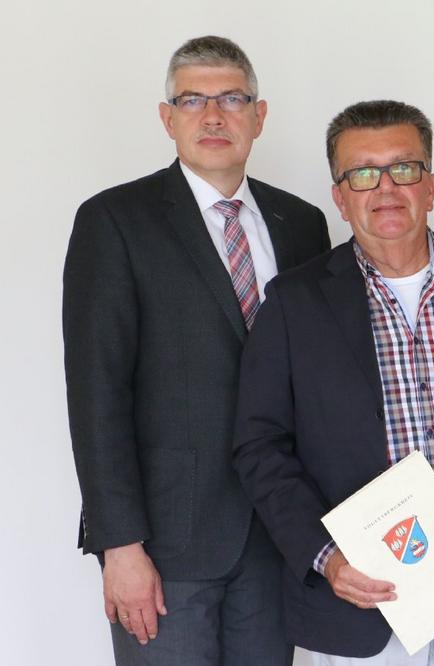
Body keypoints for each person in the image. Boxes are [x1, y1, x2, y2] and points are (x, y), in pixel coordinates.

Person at [231, 99, 434, 665]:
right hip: (360, 604)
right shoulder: (293, 303)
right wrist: (326, 557)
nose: (386, 188)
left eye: (403, 168)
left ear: (431, 185)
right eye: (362, 173)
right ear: (340, 197)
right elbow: (260, 447)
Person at [63, 35, 331, 665]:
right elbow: (97, 392)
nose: (213, 116)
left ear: (259, 116)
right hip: (165, 545)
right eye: (192, 100)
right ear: (168, 118)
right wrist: (120, 544)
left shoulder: (302, 224)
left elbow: (322, 380)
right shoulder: (115, 221)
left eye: (232, 98)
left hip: (278, 535)